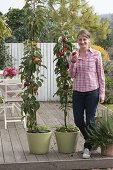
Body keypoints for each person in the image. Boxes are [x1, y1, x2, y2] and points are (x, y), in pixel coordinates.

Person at [68, 29, 105, 159]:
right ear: (77, 41)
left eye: (84, 39)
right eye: (80, 39)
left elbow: (101, 75)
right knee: (78, 120)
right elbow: (72, 75)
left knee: (90, 121)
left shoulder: (96, 54)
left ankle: (87, 147)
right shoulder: (73, 54)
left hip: (92, 92)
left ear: (89, 40)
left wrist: (102, 93)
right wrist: (73, 62)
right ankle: (92, 139)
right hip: (78, 92)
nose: (82, 41)